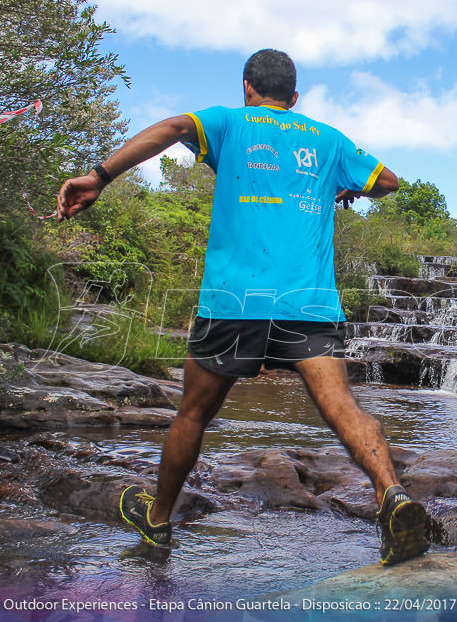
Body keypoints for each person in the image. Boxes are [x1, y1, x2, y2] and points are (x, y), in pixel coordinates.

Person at [55, 49, 429, 566]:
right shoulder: (327, 138)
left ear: (247, 89)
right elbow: (387, 182)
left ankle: (158, 522)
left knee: (193, 414)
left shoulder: (227, 122)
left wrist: (100, 175)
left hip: (232, 302)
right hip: (309, 305)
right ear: (294, 98)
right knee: (344, 406)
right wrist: (342, 186)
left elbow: (169, 127)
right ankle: (392, 494)